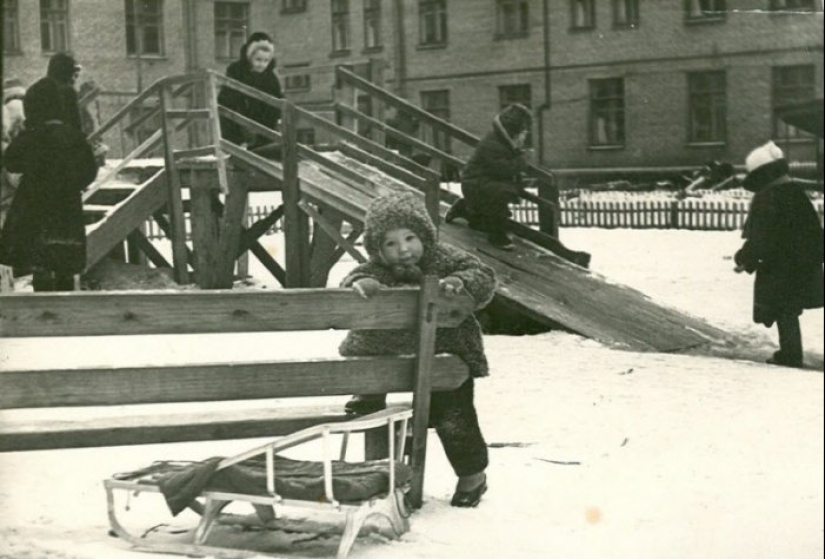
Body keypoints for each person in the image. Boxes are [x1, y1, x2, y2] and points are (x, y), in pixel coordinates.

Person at [338, 191, 496, 507]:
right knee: (371, 353)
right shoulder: (375, 268)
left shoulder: (445, 258)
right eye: (390, 244)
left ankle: (472, 476)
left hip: (442, 354)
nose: (403, 249)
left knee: (454, 415)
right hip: (389, 357)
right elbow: (353, 279)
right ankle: (368, 393)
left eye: (410, 237)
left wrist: (458, 283)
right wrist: (363, 285)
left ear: (424, 234)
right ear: (377, 249)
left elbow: (483, 276)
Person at [0, 78, 98, 291]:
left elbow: (12, 161)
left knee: (39, 263)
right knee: (64, 264)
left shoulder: (32, 136)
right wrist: (73, 184)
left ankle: (43, 310)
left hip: (35, 207)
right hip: (66, 209)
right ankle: (66, 309)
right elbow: (89, 171)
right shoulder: (74, 136)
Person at [734, 141, 824, 368]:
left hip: (781, 266)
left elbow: (762, 236)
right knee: (788, 308)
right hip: (802, 262)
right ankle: (790, 352)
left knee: (783, 309)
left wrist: (746, 257)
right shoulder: (794, 192)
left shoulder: (769, 196)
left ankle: (791, 355)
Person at [445, 104, 533, 250]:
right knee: (501, 194)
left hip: (479, 181)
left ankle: (463, 209)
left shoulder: (501, 141)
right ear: (513, 132)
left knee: (481, 219)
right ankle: (497, 236)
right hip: (474, 183)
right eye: (523, 132)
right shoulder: (494, 144)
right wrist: (521, 159)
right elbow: (504, 169)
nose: (525, 136)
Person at [217, 32, 283, 151]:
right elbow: (228, 97)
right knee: (231, 109)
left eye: (266, 61)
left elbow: (277, 97)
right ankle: (238, 143)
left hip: (262, 119)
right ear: (250, 57)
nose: (261, 64)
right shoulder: (236, 70)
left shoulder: (270, 76)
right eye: (258, 59)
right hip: (239, 114)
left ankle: (264, 141)